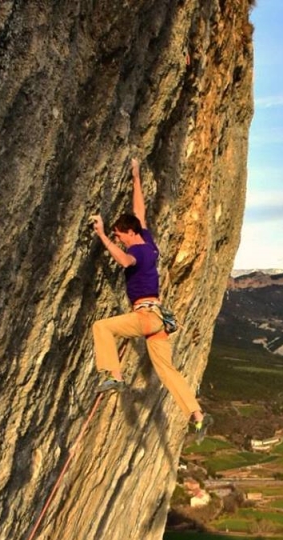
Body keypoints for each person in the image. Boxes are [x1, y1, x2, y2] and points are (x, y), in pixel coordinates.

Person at [91, 159, 205, 433]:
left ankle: (114, 376)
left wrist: (102, 235)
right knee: (167, 371)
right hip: (159, 321)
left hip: (145, 317)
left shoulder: (138, 252)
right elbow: (140, 212)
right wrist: (136, 175)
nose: (120, 240)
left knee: (101, 327)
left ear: (130, 233)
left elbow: (124, 261)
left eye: (121, 236)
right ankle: (196, 414)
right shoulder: (149, 243)